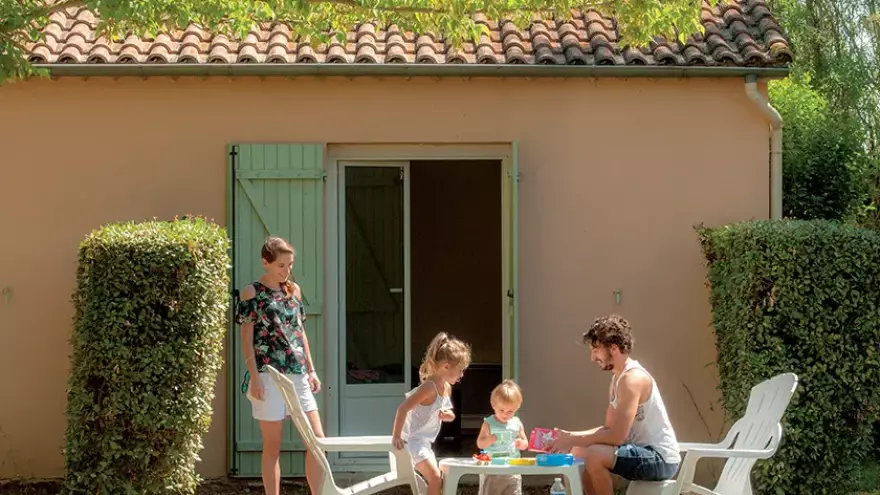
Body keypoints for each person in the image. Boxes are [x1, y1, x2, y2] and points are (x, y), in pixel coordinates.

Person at [548, 315, 680, 495]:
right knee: (579, 453)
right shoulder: (617, 379)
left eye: (596, 350)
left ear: (614, 348)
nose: (592, 357)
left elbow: (616, 437)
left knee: (595, 455)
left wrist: (572, 439)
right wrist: (568, 436)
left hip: (660, 458)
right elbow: (608, 429)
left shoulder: (632, 379)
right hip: (642, 452)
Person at [236, 236, 325, 495]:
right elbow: (246, 337)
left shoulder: (293, 291)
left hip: (298, 374)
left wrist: (311, 369)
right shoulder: (251, 292)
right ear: (266, 262)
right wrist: (254, 376)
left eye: (290, 265)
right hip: (268, 375)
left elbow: (300, 332)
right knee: (273, 446)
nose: (287, 271)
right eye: (281, 265)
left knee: (317, 442)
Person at [392, 332, 472, 495]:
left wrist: (448, 415)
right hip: (413, 442)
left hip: (425, 442)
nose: (462, 375)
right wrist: (396, 436)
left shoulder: (447, 388)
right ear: (446, 366)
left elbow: (448, 412)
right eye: (460, 370)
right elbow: (402, 409)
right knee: (435, 478)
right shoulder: (429, 387)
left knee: (438, 479)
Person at [476, 379, 529, 495]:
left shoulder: (517, 423)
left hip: (512, 469)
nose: (505, 414)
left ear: (517, 408)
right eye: (502, 410)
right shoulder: (489, 423)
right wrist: (488, 440)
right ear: (493, 405)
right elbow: (480, 443)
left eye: (510, 411)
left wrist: (522, 443)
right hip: (492, 470)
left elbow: (525, 442)